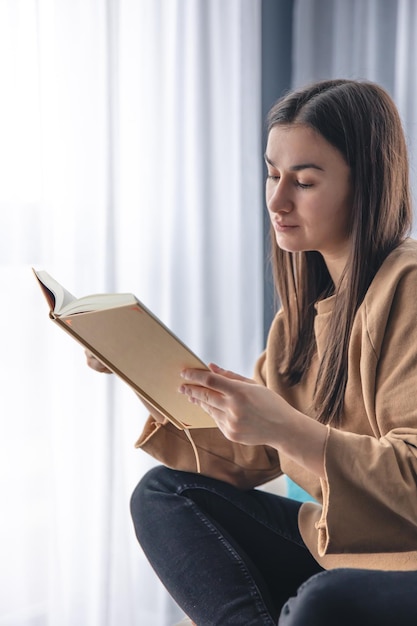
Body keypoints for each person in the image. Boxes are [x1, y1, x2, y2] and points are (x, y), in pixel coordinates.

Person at [87, 79, 417, 625]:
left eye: (304, 181)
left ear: (366, 185)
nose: (277, 200)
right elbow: (247, 456)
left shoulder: (407, 287)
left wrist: (287, 427)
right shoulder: (299, 320)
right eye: (272, 174)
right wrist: (137, 365)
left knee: (322, 605)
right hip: (337, 546)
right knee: (165, 495)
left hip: (404, 559)